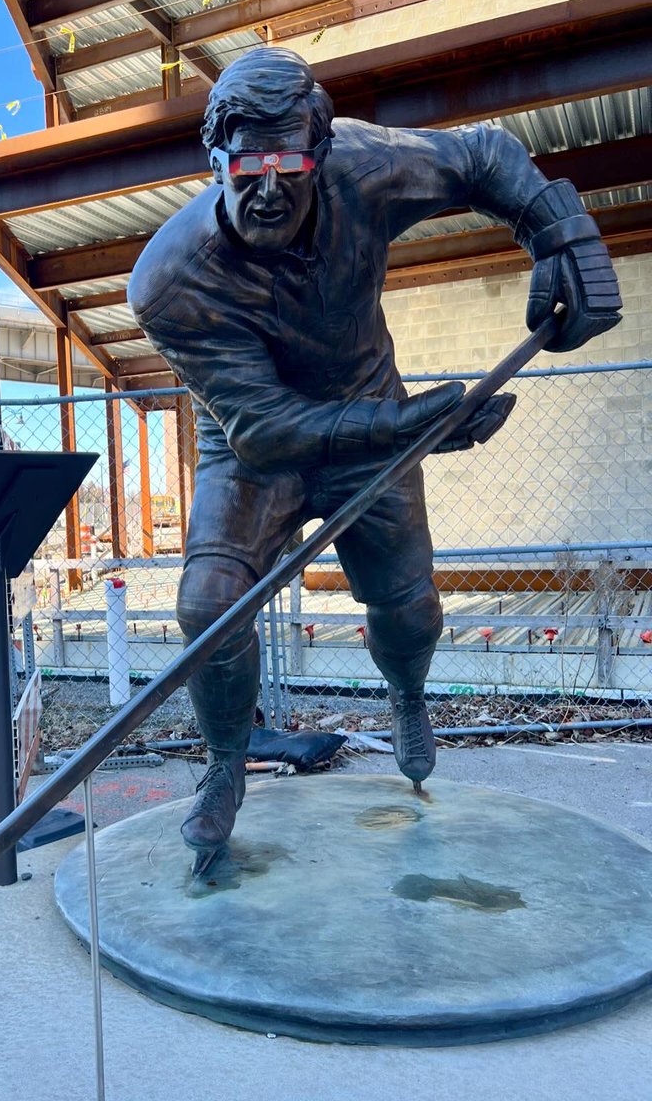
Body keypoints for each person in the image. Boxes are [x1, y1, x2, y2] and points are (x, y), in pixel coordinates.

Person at [127, 47, 621, 863]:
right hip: (255, 445)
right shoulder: (171, 278)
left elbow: (487, 157)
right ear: (215, 160)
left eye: (290, 160)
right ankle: (223, 763)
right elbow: (265, 427)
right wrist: (407, 425)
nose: (269, 185)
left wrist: (559, 234)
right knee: (207, 602)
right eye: (246, 164)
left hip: (367, 411)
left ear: (319, 151)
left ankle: (407, 695)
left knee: (409, 606)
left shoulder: (366, 166)